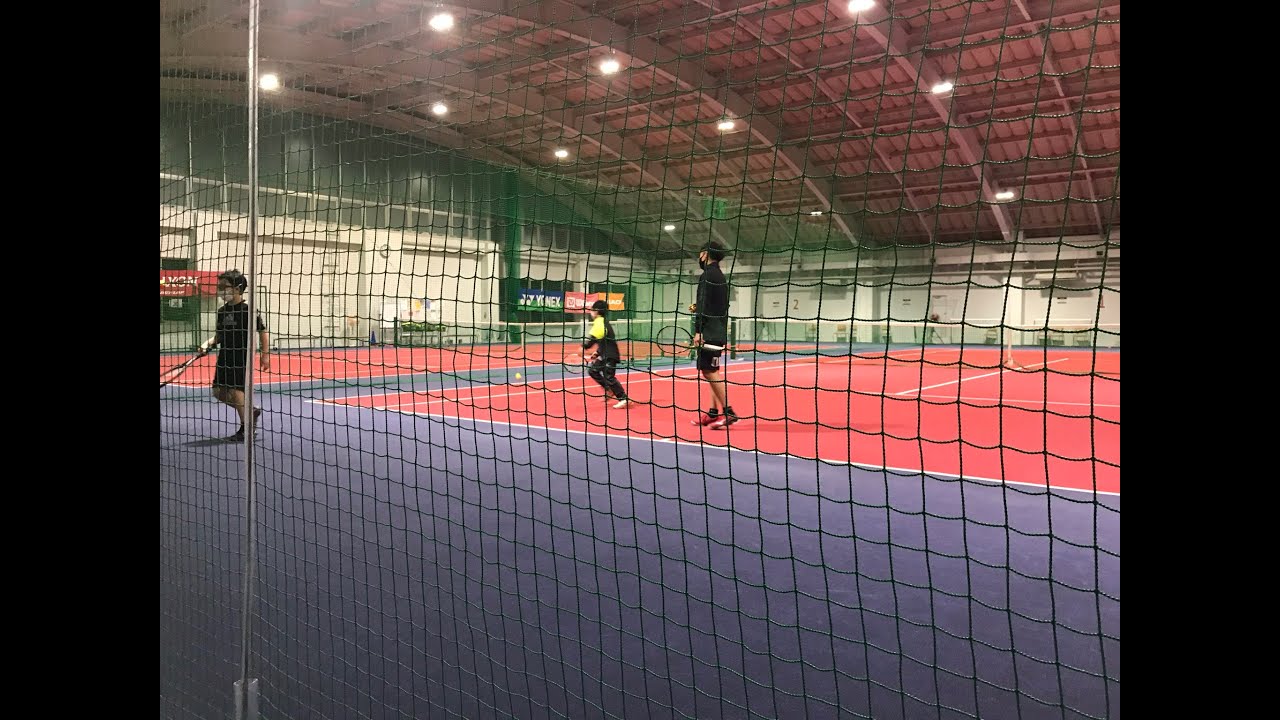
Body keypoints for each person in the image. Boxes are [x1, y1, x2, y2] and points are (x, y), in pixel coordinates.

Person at [198, 270, 271, 440]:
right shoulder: (222, 311)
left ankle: (246, 430)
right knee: (218, 392)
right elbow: (220, 336)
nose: (221, 290)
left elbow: (262, 332)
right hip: (225, 356)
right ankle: (251, 410)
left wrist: (265, 355)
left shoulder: (248, 310)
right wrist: (207, 343)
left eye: (224, 287)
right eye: (219, 287)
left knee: (236, 390)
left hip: (242, 356)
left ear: (237, 288)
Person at [690, 243, 737, 429]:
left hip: (709, 332)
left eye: (700, 253)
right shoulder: (720, 276)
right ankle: (713, 411)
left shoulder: (707, 276)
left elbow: (703, 305)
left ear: (705, 254)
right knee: (712, 371)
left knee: (708, 371)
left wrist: (698, 331)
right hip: (719, 330)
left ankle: (729, 412)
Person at [583, 299, 630, 409]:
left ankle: (623, 399)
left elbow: (592, 340)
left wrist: (583, 347)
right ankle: (608, 389)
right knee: (593, 371)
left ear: (597, 311)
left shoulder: (600, 322)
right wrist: (597, 352)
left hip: (610, 355)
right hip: (604, 354)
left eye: (592, 310)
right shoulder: (601, 322)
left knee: (609, 376)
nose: (591, 312)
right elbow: (603, 340)